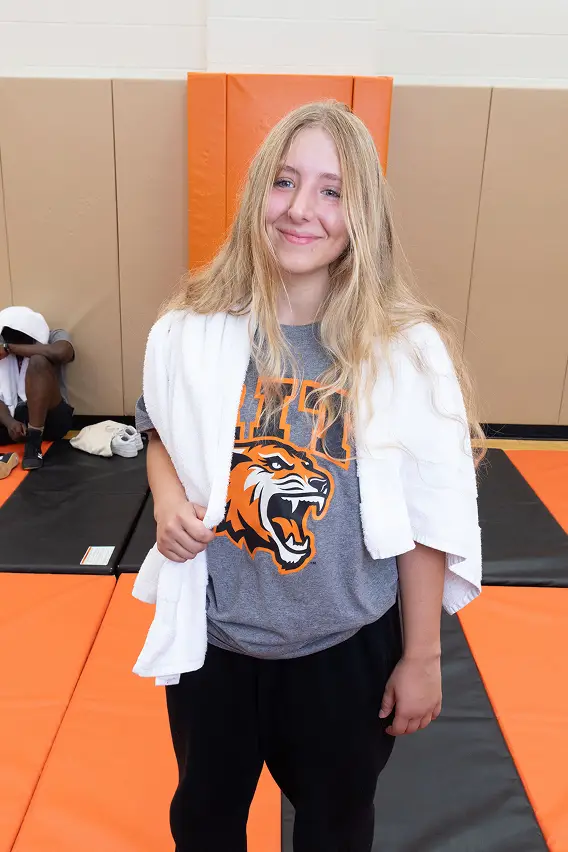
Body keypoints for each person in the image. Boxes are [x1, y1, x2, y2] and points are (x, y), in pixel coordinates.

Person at [135, 101, 483, 851]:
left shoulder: (403, 352)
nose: (301, 210)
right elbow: (158, 425)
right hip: (216, 647)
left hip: (342, 652)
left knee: (335, 826)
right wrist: (167, 500)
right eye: (285, 182)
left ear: (363, 214)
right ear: (256, 192)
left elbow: (429, 515)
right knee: (203, 820)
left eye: (331, 191)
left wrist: (422, 658)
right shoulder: (192, 328)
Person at [0, 306, 75, 470]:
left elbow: (63, 352)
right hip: (11, 418)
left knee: (38, 361)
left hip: (51, 418)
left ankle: (34, 442)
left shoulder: (53, 335)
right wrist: (9, 423)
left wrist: (9, 348)